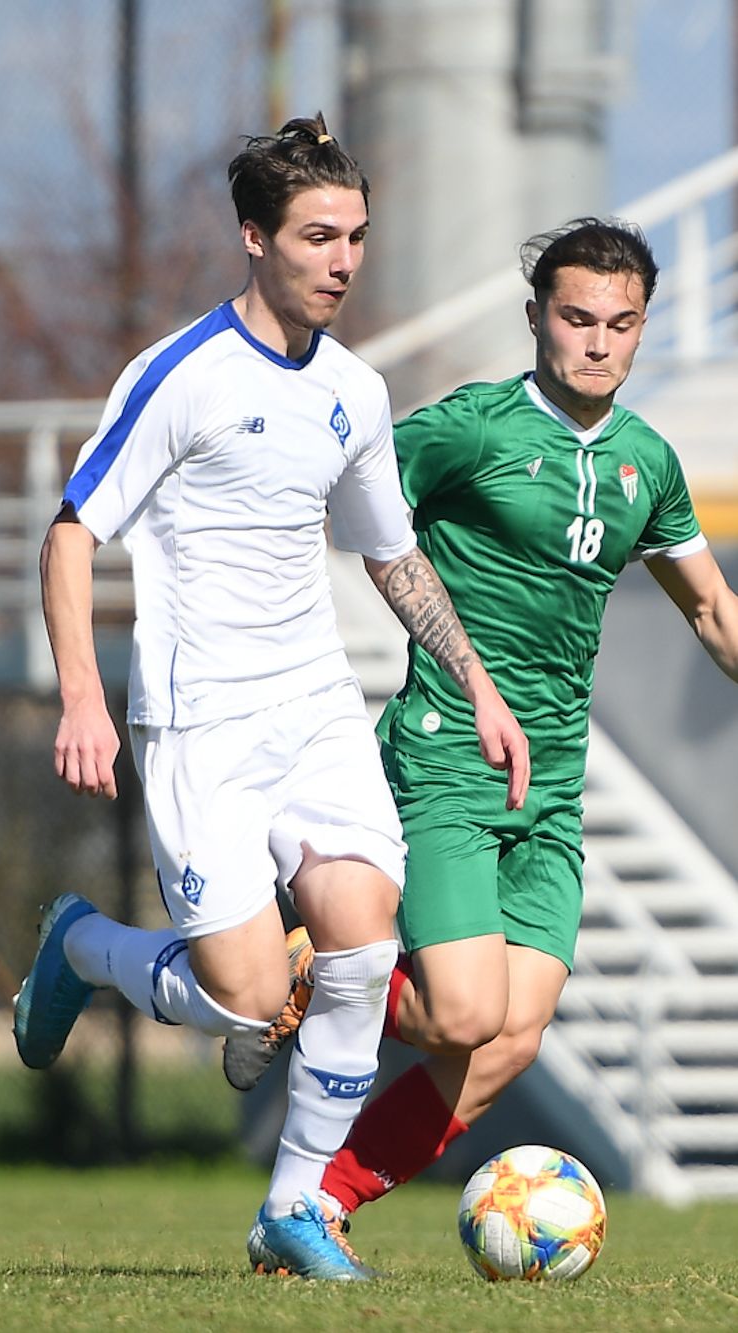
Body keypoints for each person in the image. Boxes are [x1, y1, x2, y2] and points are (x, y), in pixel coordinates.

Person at [11, 114, 528, 1282]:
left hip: (313, 708)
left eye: (353, 236)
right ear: (254, 239)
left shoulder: (355, 388)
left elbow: (391, 557)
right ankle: (82, 948)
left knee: (360, 936)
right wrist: (82, 699)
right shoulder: (180, 376)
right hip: (198, 721)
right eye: (316, 236)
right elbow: (70, 533)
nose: (342, 259)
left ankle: (293, 1210)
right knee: (248, 1000)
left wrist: (480, 692)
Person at [224, 216, 738, 1241]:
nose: (597, 342)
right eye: (576, 317)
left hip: (549, 785)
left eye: (620, 324)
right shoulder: (468, 428)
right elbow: (347, 507)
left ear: (642, 330)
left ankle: (317, 1210)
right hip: (447, 753)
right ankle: (307, 961)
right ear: (537, 319)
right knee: (456, 1012)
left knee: (505, 1041)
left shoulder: (648, 461)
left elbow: (712, 609)